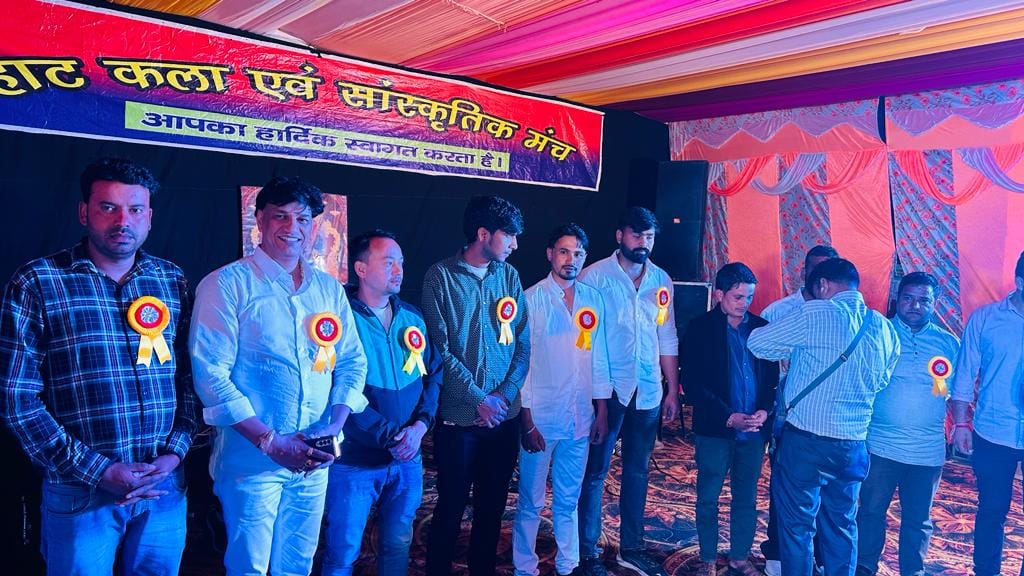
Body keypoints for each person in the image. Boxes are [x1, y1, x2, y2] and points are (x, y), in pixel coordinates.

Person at [0, 157, 201, 574]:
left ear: (149, 218)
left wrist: (175, 454)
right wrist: (99, 470)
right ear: (83, 212)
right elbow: (17, 399)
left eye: (135, 209)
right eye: (108, 207)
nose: (122, 221)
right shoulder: (37, 282)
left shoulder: (172, 280)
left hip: (163, 487)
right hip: (80, 490)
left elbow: (189, 378)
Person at [190, 176, 368, 576]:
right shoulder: (226, 284)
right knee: (249, 568)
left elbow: (352, 362)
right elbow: (210, 374)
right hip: (253, 461)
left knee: (298, 565)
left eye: (302, 219)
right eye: (280, 216)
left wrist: (333, 426)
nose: (292, 228)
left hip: (315, 456)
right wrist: (270, 441)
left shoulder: (328, 289)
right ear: (259, 221)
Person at [748, 258, 900, 576]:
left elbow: (757, 344)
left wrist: (794, 352)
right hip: (854, 444)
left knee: (797, 527)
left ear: (823, 285)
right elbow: (882, 381)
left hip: (807, 441)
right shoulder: (884, 326)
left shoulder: (816, 312)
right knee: (842, 524)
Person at [322, 230, 441, 576]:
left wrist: (420, 426)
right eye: (389, 263)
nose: (399, 270)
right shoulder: (338, 321)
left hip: (407, 459)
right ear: (360, 268)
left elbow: (434, 375)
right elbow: (333, 389)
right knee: (343, 552)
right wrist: (391, 436)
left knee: (398, 545)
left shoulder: (412, 317)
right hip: (355, 463)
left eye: (401, 262)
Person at [422, 195, 530, 576]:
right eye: (509, 235)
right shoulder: (440, 277)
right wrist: (478, 398)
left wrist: (502, 396)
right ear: (483, 234)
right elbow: (439, 350)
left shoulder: (510, 277)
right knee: (450, 507)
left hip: (503, 418)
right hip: (459, 420)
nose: (515, 244)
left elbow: (523, 344)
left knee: (492, 508)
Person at [576, 206, 680, 576]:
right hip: (606, 391)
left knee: (638, 470)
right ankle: (587, 551)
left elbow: (666, 334)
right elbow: (586, 343)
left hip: (648, 390)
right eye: (637, 235)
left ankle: (631, 548)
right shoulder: (594, 277)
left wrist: (672, 390)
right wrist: (598, 400)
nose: (643, 243)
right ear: (620, 236)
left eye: (649, 236)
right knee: (595, 472)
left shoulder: (661, 279)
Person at [513, 223, 612, 576]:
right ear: (550, 254)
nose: (571, 259)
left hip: (580, 417)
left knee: (569, 498)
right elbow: (522, 364)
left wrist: (601, 411)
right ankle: (524, 567)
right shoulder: (531, 299)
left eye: (578, 253)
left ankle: (568, 566)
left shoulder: (593, 299)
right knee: (531, 501)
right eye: (565, 251)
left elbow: (599, 357)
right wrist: (526, 421)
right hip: (541, 418)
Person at [855, 272, 959, 576]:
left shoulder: (949, 343)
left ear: (935, 303)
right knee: (870, 511)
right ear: (897, 299)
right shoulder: (877, 333)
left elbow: (952, 391)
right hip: (881, 445)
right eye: (908, 298)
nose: (915, 306)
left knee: (918, 519)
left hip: (927, 450)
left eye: (923, 300)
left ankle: (913, 570)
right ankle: (864, 567)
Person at [681, 262, 778, 576]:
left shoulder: (761, 328)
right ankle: (708, 557)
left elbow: (771, 380)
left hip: (753, 431)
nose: (744, 303)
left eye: (749, 297)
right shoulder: (700, 328)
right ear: (719, 294)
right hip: (715, 428)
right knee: (708, 496)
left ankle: (739, 557)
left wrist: (765, 410)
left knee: (746, 497)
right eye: (738, 297)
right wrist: (728, 416)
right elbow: (692, 383)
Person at [759, 245, 838, 576]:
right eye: (815, 269)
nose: (820, 277)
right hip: (785, 417)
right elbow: (760, 366)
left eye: (828, 270)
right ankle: (777, 553)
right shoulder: (779, 312)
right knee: (785, 490)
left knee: (828, 496)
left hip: (829, 421)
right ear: (804, 272)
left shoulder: (841, 316)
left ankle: (818, 556)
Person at [950, 250, 1024, 576]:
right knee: (992, 510)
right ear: (1020, 282)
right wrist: (961, 423)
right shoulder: (986, 319)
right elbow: (965, 375)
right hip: (993, 430)